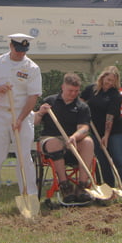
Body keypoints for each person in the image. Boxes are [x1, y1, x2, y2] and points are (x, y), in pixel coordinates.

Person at [0, 33, 41, 211]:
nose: (21, 53)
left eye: (24, 50)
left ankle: (29, 196)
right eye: (18, 50)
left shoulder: (32, 67)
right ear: (11, 46)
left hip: (23, 115)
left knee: (24, 158)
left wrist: (21, 119)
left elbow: (33, 96)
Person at [36, 73, 94, 204]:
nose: (73, 94)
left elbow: (84, 128)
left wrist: (74, 136)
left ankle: (82, 185)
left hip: (73, 140)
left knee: (88, 142)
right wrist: (40, 112)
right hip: (51, 139)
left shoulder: (82, 106)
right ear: (63, 87)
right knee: (55, 143)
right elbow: (35, 121)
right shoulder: (50, 101)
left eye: (76, 91)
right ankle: (65, 186)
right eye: (70, 90)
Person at [79, 66, 122, 199]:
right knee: (103, 162)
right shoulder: (91, 89)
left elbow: (110, 117)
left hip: (114, 133)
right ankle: (110, 191)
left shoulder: (115, 95)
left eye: (113, 81)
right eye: (108, 79)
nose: (109, 83)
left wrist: (106, 136)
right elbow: (80, 101)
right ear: (102, 77)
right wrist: (84, 112)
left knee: (118, 160)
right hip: (95, 131)